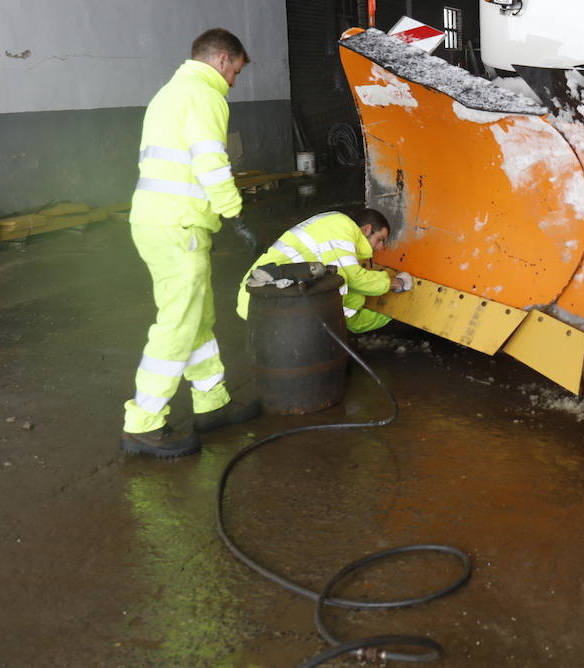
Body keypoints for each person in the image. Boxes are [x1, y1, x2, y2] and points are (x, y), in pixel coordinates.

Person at [121, 28, 263, 459]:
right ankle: (142, 423)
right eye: (235, 71)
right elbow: (210, 160)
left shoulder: (171, 92)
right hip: (177, 224)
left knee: (198, 317)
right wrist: (234, 212)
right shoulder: (204, 94)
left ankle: (212, 402)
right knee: (179, 322)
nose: (233, 82)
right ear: (222, 59)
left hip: (159, 222)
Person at [236, 208, 412, 332]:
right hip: (262, 296)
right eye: (380, 239)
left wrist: (393, 313)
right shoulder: (341, 226)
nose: (381, 248)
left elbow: (351, 319)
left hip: (277, 297)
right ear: (366, 229)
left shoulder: (340, 234)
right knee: (351, 293)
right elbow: (353, 277)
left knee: (354, 299)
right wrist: (393, 283)